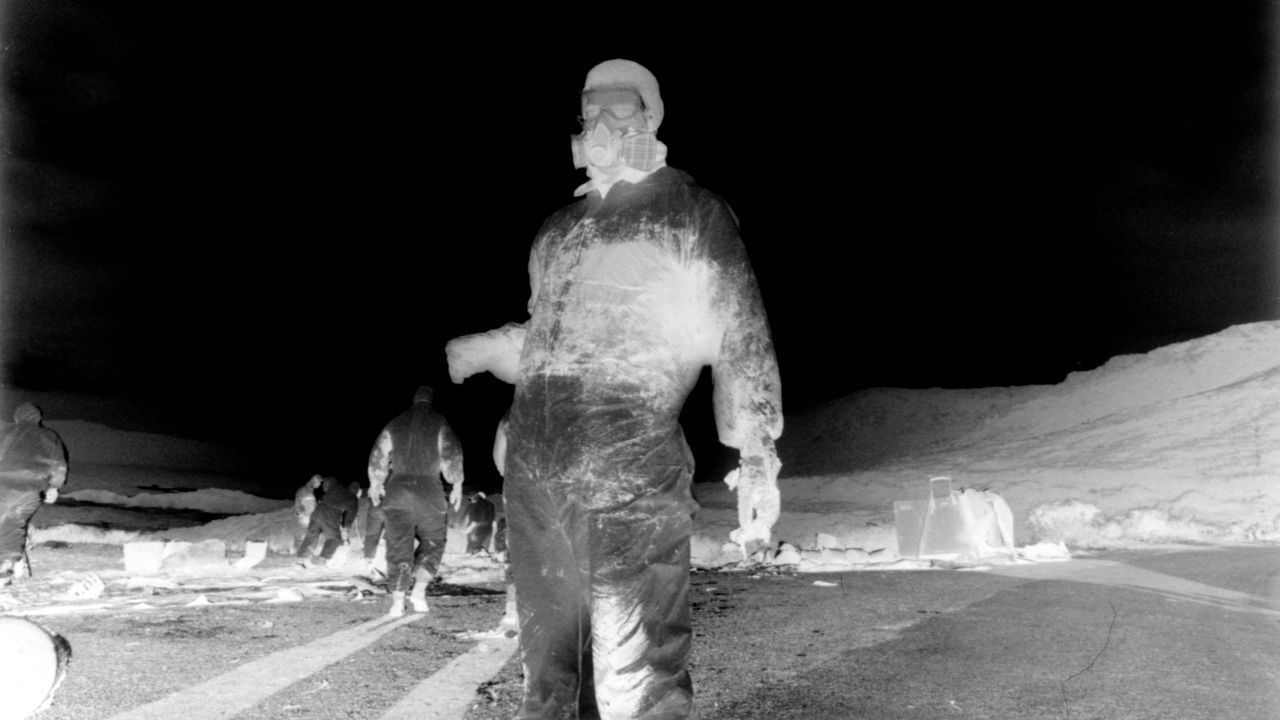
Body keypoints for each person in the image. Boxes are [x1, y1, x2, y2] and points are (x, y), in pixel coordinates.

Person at [445, 59, 782, 720]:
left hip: (628, 469)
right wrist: (494, 348)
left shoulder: (688, 211)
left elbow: (738, 330)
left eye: (618, 108)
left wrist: (757, 449)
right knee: (548, 672)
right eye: (588, 110)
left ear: (650, 117)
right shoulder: (557, 232)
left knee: (637, 673)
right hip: (538, 479)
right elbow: (558, 340)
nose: (599, 124)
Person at [366, 385, 465, 618]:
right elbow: (451, 453)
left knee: (398, 543)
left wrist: (376, 482)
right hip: (428, 489)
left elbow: (378, 454)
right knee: (434, 540)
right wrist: (457, 483)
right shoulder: (438, 422)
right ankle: (418, 593)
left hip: (398, 489)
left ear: (414, 400)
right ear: (430, 400)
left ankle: (397, 602)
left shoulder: (396, 422)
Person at [0, 402, 69, 586]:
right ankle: (9, 566)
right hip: (32, 488)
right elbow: (59, 465)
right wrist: (54, 487)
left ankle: (8, 567)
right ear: (38, 418)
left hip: (5, 485)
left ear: (17, 417)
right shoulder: (50, 436)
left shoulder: (7, 433)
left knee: (8, 523)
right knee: (14, 523)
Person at [295, 475, 359, 568]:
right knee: (334, 538)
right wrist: (346, 527)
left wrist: (321, 480)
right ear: (357, 491)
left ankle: (300, 559)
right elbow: (350, 516)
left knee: (311, 536)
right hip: (330, 515)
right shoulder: (352, 498)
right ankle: (322, 560)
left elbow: (331, 481)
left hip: (317, 512)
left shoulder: (336, 487)